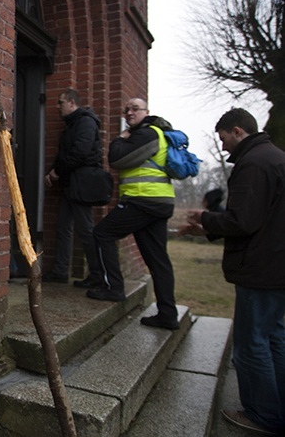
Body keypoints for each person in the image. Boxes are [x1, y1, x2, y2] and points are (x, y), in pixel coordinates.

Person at [179, 108, 285, 435]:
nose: (223, 147)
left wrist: (205, 220)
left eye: (223, 138)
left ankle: (263, 415)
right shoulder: (277, 158)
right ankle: (278, 407)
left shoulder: (253, 164)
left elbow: (244, 220)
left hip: (260, 267)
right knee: (274, 337)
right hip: (277, 266)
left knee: (251, 343)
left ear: (238, 131)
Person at [86, 97, 180, 331]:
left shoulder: (147, 133)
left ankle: (114, 288)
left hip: (143, 201)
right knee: (158, 260)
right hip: (156, 202)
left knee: (102, 234)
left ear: (147, 112)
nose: (129, 112)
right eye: (126, 109)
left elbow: (118, 159)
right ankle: (168, 314)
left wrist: (120, 138)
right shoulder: (149, 133)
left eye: (135, 109)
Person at [43, 89, 103, 287]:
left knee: (86, 230)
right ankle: (61, 271)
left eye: (60, 103)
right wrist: (53, 171)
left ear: (71, 102)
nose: (58, 107)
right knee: (64, 227)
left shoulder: (86, 122)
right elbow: (64, 154)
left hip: (82, 184)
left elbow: (80, 152)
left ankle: (97, 275)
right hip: (71, 183)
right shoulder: (72, 125)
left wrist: (56, 172)